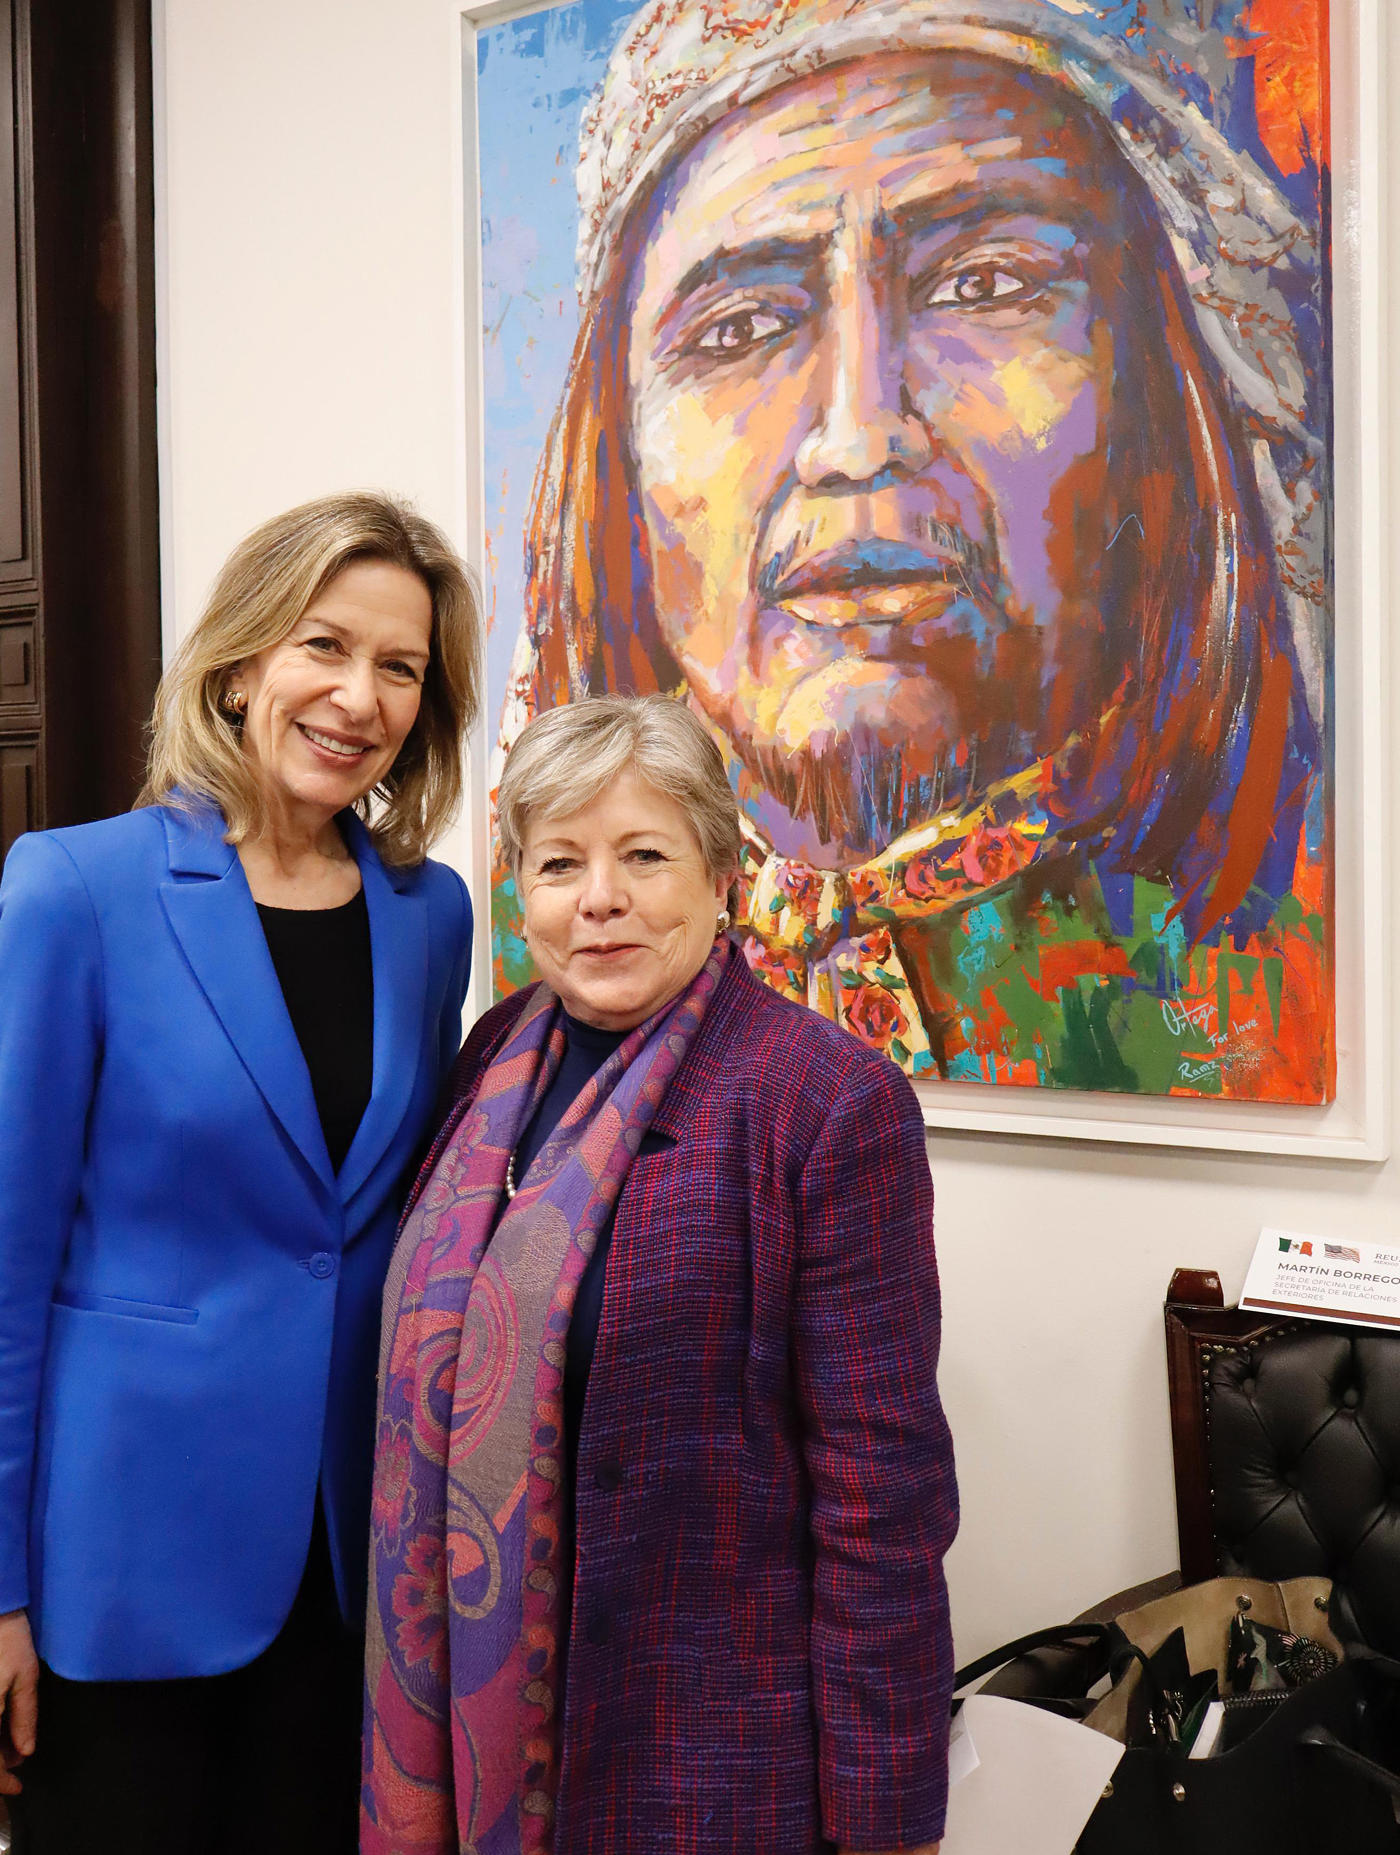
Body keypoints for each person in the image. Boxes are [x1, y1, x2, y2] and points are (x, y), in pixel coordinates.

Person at [497, 0, 1331, 1103]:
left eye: (984, 284)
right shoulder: (517, 1060)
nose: (855, 438)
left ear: (1167, 389)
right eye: (738, 328)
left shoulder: (1273, 959)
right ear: (614, 468)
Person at [358, 694, 958, 1855]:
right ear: (518, 890)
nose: (599, 898)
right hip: (458, 1736)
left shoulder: (824, 1104)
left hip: (699, 1751)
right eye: (560, 862)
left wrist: (883, 1791)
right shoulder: (491, 1058)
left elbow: (880, 1482)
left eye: (643, 856)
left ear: (720, 876)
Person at [0, 492, 481, 1855]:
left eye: (401, 668)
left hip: (348, 1552)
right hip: (123, 1563)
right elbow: (6, 1263)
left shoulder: (430, 913)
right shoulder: (75, 888)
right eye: (325, 646)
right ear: (239, 662)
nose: (359, 697)